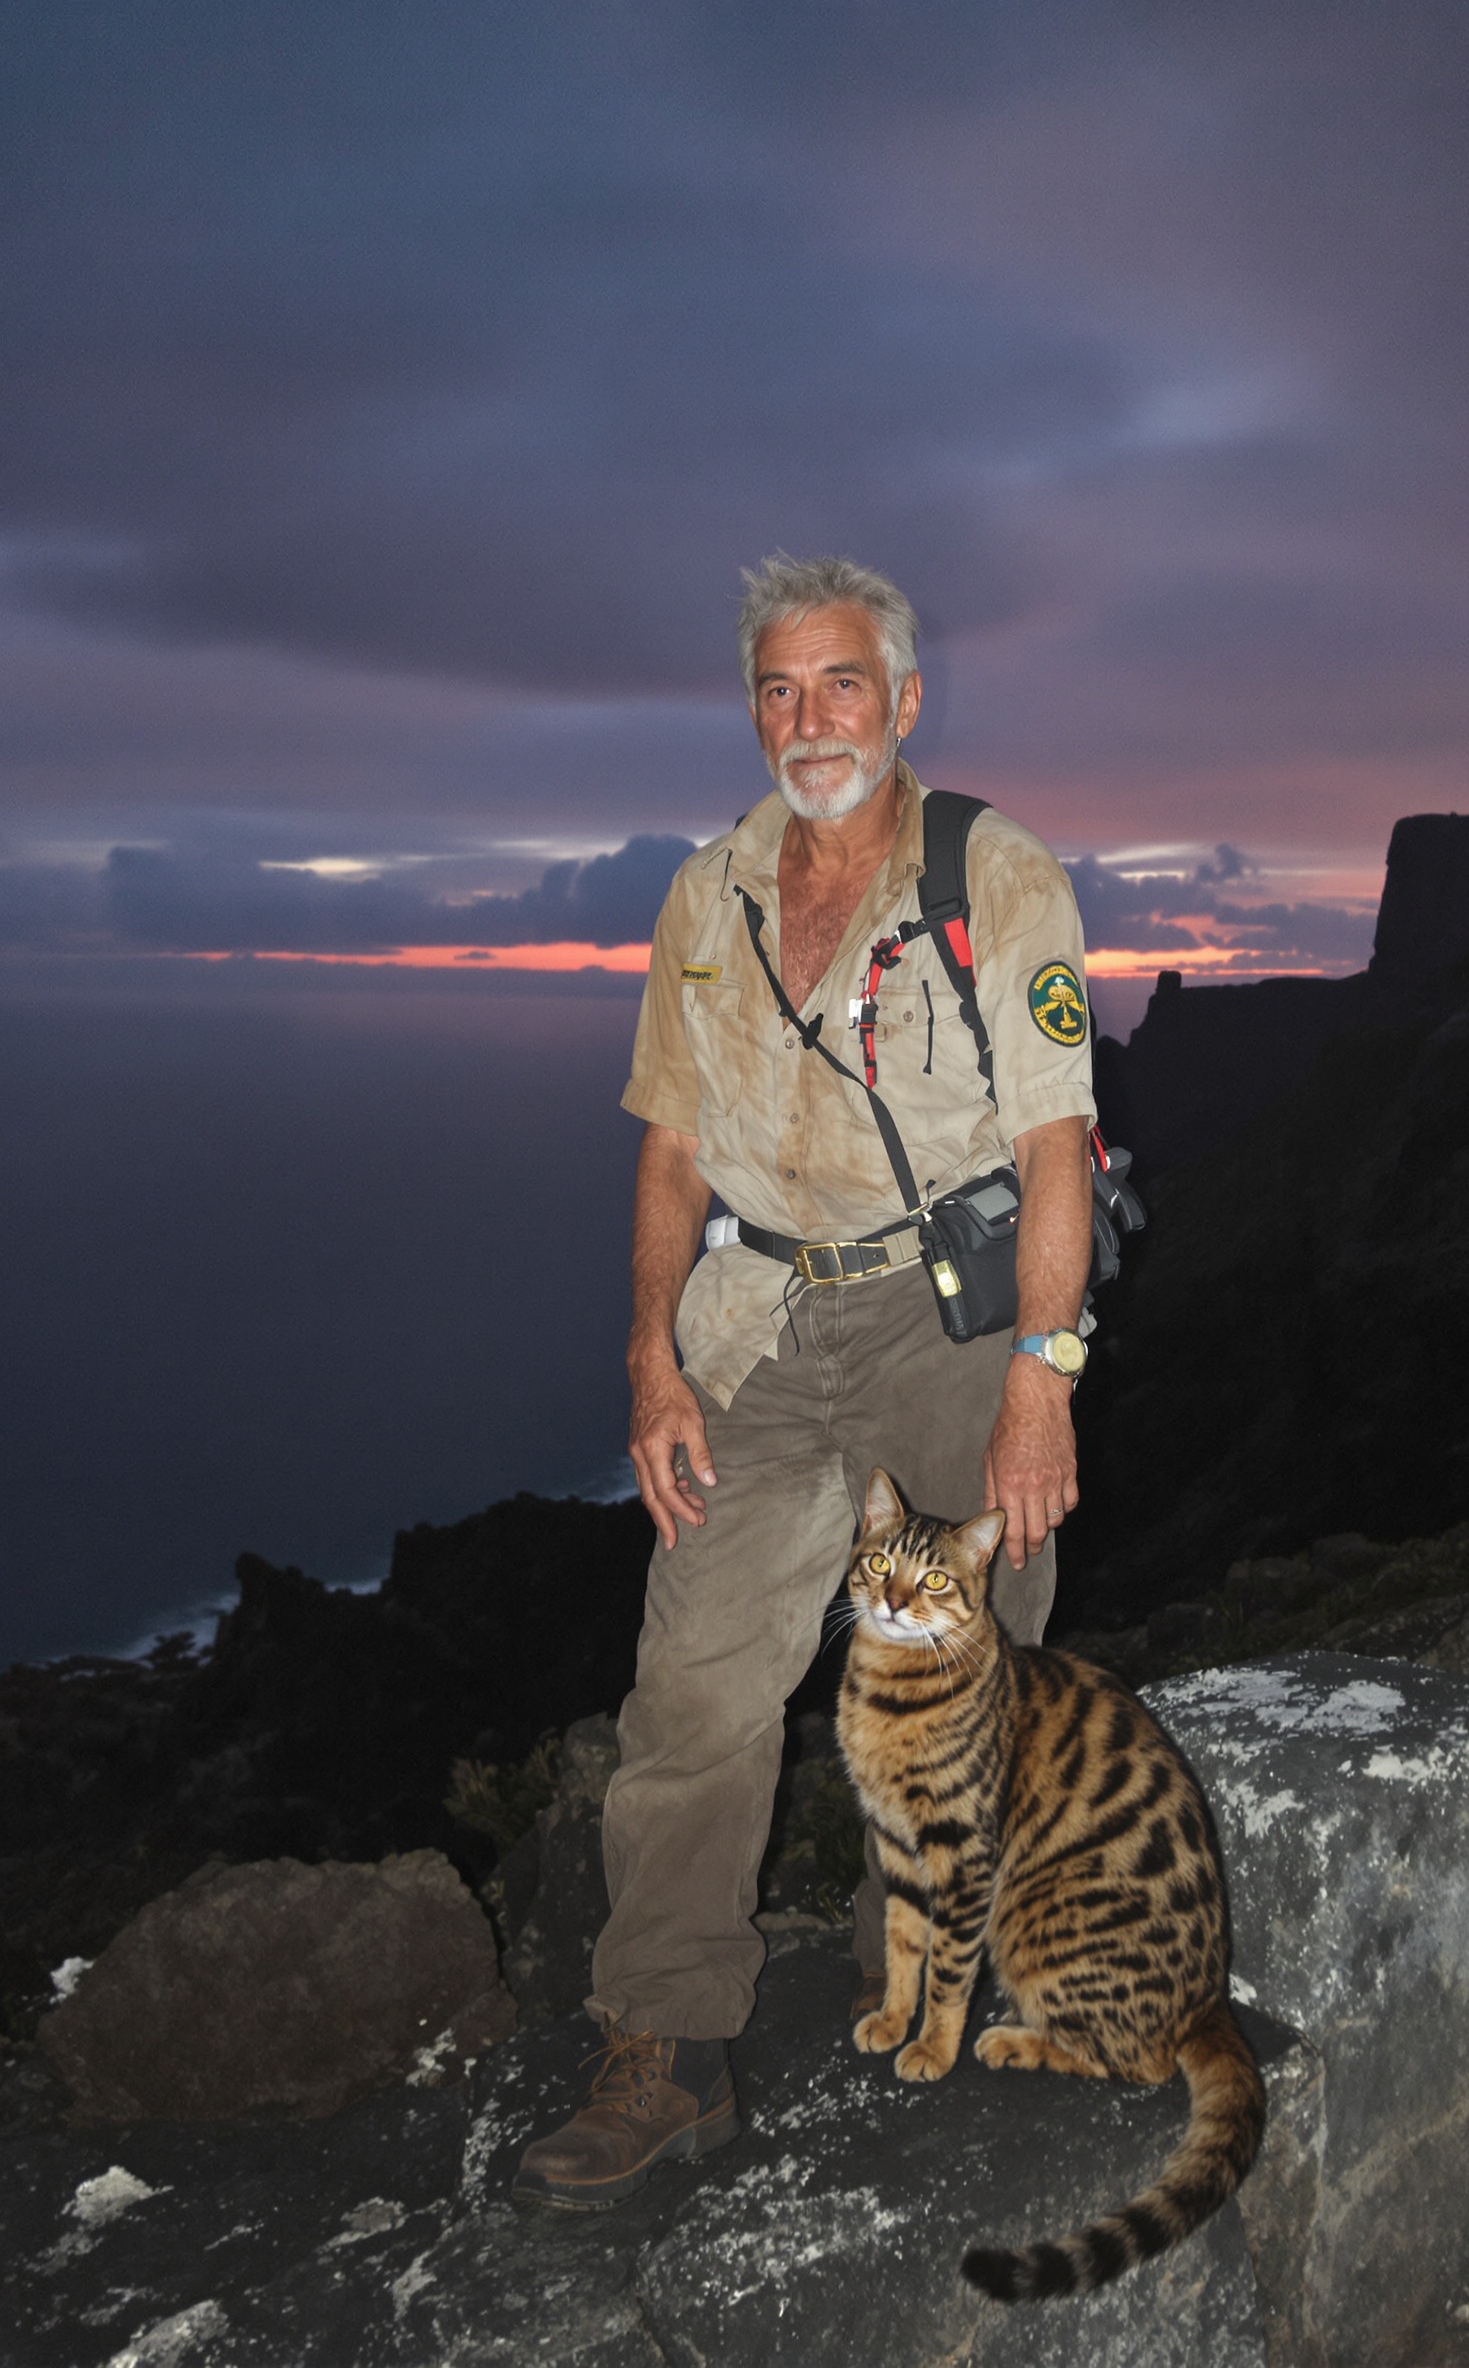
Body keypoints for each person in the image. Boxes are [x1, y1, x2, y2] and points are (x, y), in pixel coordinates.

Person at [513, 554, 1096, 2208]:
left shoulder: (997, 872)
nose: (809, 718)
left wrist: (1041, 1385)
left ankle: (909, 1966)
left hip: (949, 1319)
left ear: (903, 702)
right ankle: (668, 2048)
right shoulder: (708, 896)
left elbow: (1059, 1148)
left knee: (974, 1671)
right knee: (695, 1670)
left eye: (842, 684)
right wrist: (648, 1358)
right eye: (779, 688)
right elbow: (670, 1147)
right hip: (761, 1322)